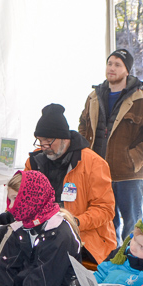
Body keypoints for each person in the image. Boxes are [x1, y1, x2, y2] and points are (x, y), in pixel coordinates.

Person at [78, 48, 143, 242]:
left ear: (127, 70)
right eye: (110, 63)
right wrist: (85, 151)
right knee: (105, 222)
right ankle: (110, 262)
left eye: (118, 65)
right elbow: (83, 124)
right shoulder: (93, 97)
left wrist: (135, 157)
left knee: (133, 224)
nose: (112, 68)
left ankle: (131, 261)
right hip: (98, 173)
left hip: (128, 175)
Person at [25, 103, 116, 265]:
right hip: (41, 229)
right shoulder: (34, 162)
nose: (44, 147)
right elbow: (21, 198)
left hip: (84, 236)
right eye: (40, 141)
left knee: (51, 249)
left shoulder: (93, 163)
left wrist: (74, 222)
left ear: (64, 138)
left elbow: (105, 210)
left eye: (48, 141)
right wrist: (10, 214)